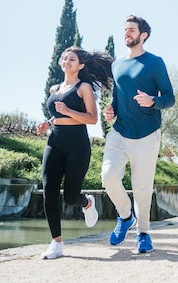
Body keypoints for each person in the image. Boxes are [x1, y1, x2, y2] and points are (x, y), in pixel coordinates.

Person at [102, 15, 175, 253]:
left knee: (142, 188)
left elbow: (169, 98)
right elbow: (116, 98)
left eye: (131, 30)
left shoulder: (155, 62)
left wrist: (152, 101)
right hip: (120, 131)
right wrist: (111, 110)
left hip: (147, 134)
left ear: (143, 35)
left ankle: (143, 233)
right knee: (108, 176)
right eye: (125, 30)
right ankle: (125, 216)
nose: (126, 33)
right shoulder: (116, 65)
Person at [37, 46, 114, 259]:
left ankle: (87, 202)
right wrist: (47, 123)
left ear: (80, 65)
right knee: (48, 189)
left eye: (72, 59)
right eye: (64, 58)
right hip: (55, 141)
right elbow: (57, 115)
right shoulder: (54, 89)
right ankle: (56, 243)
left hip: (77, 144)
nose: (67, 61)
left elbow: (92, 118)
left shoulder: (84, 87)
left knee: (71, 197)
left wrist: (69, 111)